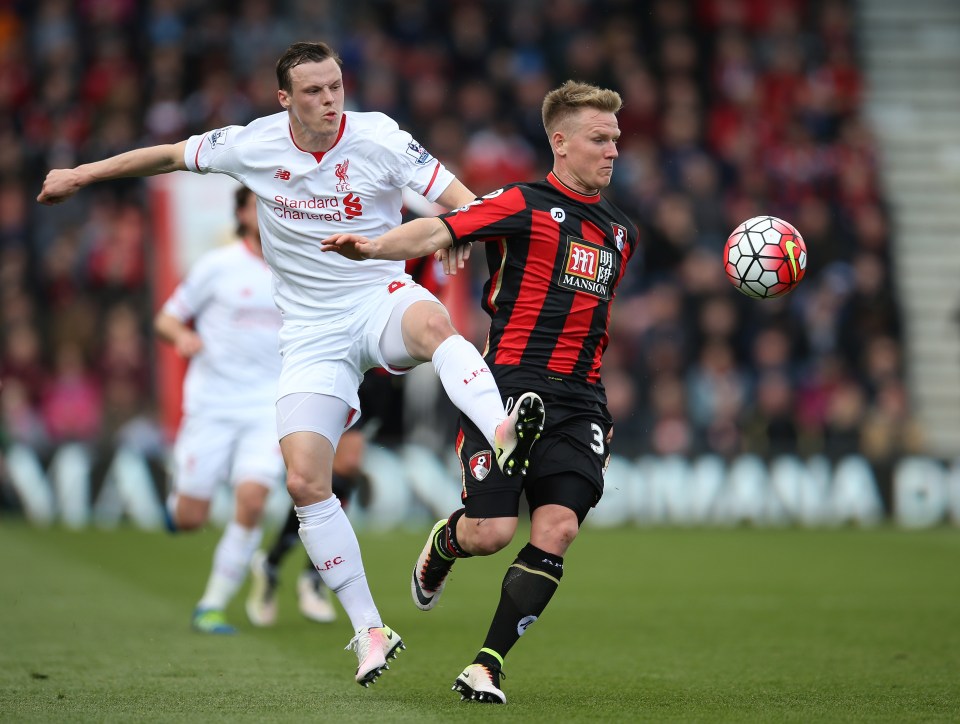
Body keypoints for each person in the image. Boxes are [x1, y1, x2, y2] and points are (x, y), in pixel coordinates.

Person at [37, 40, 545, 687]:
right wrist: (81, 175)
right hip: (309, 333)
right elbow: (168, 155)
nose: (329, 100)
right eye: (313, 91)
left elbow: (466, 197)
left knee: (433, 323)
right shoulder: (252, 145)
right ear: (285, 99)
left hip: (376, 298)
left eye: (335, 86)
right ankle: (369, 629)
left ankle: (502, 430)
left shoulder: (381, 137)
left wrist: (458, 227)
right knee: (306, 481)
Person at [321, 80, 638, 704]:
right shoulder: (522, 202)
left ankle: (487, 664)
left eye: (616, 141)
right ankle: (443, 543)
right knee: (491, 533)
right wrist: (374, 248)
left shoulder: (620, 233)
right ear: (561, 142)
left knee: (558, 527)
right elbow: (438, 230)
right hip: (508, 391)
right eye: (600, 139)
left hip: (580, 401)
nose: (612, 151)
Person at [155, 185, 283, 635]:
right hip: (212, 403)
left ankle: (211, 605)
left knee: (252, 499)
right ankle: (177, 504)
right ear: (243, 214)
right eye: (258, 204)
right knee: (191, 517)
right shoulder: (217, 266)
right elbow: (166, 318)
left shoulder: (298, 268)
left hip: (268, 405)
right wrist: (182, 338)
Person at [246, 425, 368, 627]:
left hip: (367, 393)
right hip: (326, 394)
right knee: (315, 475)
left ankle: (278, 565)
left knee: (346, 468)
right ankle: (304, 574)